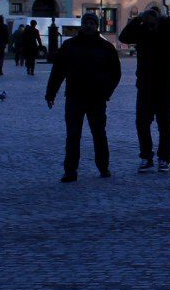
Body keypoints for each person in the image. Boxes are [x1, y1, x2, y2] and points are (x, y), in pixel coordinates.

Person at [44, 13, 121, 182]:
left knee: (99, 134)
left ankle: (103, 166)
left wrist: (107, 92)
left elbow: (115, 73)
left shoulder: (106, 48)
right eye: (86, 22)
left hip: (97, 97)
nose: (89, 26)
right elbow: (58, 71)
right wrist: (51, 93)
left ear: (97, 26)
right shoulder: (70, 46)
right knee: (73, 135)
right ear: (82, 25)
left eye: (92, 23)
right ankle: (70, 170)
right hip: (74, 96)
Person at [117, 5, 170, 173]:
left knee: (164, 124)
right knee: (142, 123)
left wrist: (167, 19)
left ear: (158, 20)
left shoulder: (169, 33)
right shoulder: (142, 34)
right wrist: (137, 20)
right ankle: (146, 156)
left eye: (153, 21)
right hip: (145, 85)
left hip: (166, 84)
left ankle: (164, 158)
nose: (150, 24)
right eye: (148, 22)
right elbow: (123, 37)